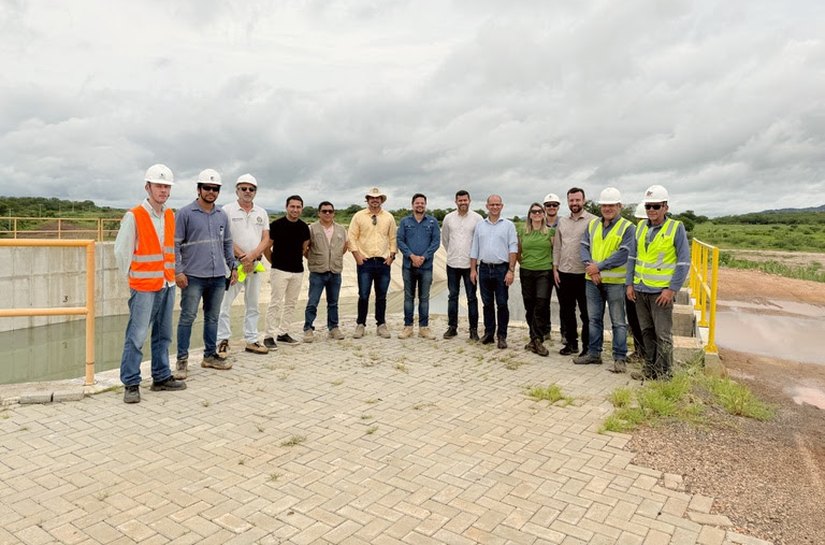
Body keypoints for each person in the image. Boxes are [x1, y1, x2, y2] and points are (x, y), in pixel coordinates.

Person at [115, 164, 187, 403]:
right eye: (159, 186)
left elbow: (170, 249)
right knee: (136, 336)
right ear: (148, 187)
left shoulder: (169, 215)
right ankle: (131, 383)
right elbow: (122, 252)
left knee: (163, 334)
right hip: (144, 286)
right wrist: (132, 279)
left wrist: (172, 275)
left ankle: (161, 376)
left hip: (166, 283)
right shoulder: (134, 215)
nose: (163, 191)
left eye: (167, 186)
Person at [175, 168, 237, 378]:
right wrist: (178, 271)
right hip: (193, 276)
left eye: (215, 188)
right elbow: (175, 245)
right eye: (207, 188)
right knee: (187, 317)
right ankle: (182, 360)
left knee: (212, 317)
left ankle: (209, 356)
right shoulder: (185, 214)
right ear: (199, 189)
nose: (211, 192)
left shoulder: (221, 215)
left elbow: (227, 243)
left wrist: (233, 266)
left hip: (218, 276)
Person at [627, 185, 690, 380]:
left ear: (665, 207)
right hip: (640, 289)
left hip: (661, 293)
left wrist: (671, 290)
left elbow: (683, 262)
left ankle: (665, 374)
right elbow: (632, 258)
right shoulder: (640, 228)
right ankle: (650, 369)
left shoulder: (675, 228)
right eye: (648, 206)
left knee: (663, 335)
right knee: (646, 331)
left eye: (656, 206)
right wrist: (629, 284)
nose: (651, 211)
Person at [574, 188, 635, 371]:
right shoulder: (593, 225)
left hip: (616, 282)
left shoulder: (627, 227)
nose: (607, 208)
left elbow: (624, 254)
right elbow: (584, 247)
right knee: (593, 319)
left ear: (619, 206)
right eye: (604, 205)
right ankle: (594, 354)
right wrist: (591, 269)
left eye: (611, 205)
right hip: (592, 281)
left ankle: (619, 358)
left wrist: (598, 267)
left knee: (618, 321)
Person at [215, 174, 270, 358]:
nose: (247, 192)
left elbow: (266, 238)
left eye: (251, 189)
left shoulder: (261, 212)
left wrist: (252, 256)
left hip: (254, 266)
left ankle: (252, 339)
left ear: (255, 192)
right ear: (237, 190)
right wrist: (242, 256)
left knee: (253, 304)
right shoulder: (226, 210)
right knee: (224, 304)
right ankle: (222, 340)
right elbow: (223, 237)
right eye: (243, 188)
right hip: (233, 266)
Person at [348, 187, 398, 339]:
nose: (375, 200)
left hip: (383, 262)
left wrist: (391, 256)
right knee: (363, 295)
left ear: (381, 200)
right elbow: (352, 236)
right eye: (371, 198)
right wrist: (357, 256)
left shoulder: (389, 217)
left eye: (378, 198)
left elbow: (393, 238)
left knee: (381, 296)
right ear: (367, 200)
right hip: (365, 262)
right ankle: (360, 324)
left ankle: (381, 324)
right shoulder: (359, 216)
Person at [470, 195, 518, 349]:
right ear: (487, 206)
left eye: (497, 204)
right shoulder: (480, 225)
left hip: (501, 269)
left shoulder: (509, 225)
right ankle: (489, 333)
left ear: (502, 206)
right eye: (492, 204)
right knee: (487, 304)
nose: (495, 207)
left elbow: (513, 248)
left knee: (502, 304)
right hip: (484, 269)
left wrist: (511, 270)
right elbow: (474, 248)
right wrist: (473, 270)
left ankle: (502, 336)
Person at [553, 187, 596, 356]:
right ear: (568, 201)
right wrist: (555, 268)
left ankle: (587, 347)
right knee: (567, 311)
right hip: (564, 272)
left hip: (584, 274)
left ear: (583, 201)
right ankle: (571, 343)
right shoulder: (562, 221)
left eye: (577, 200)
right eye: (571, 200)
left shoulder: (593, 221)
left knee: (586, 313)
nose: (574, 203)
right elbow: (557, 247)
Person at [263, 195, 310, 349]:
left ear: (301, 209)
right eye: (292, 206)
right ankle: (269, 336)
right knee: (275, 303)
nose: (295, 209)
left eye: (298, 207)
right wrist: (275, 263)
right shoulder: (276, 225)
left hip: (297, 271)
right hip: (279, 270)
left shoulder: (304, 227)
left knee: (291, 304)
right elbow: (267, 248)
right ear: (287, 207)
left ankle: (283, 333)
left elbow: (304, 249)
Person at [397, 193, 441, 339]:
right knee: (408, 297)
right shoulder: (404, 222)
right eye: (417, 203)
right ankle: (408, 327)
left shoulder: (433, 222)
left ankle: (424, 328)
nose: (420, 205)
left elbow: (435, 242)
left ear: (425, 205)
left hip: (426, 267)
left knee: (424, 297)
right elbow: (400, 241)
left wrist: (423, 257)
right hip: (408, 266)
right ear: (412, 205)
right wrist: (411, 256)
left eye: (422, 203)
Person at [303, 201, 348, 342]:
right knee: (313, 302)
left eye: (330, 211)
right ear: (319, 213)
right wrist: (316, 259)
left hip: (335, 271)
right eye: (324, 211)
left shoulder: (341, 229)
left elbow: (344, 247)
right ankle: (308, 328)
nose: (327, 213)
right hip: (317, 271)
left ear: (334, 213)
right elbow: (305, 249)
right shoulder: (311, 229)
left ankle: (333, 327)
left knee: (333, 302)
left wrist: (334, 258)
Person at [441, 190, 483, 341]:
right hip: (452, 263)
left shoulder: (477, 219)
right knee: (452, 296)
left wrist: (474, 263)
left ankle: (473, 330)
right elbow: (445, 239)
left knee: (472, 298)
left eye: (465, 200)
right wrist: (452, 252)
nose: (463, 203)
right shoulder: (448, 218)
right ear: (456, 201)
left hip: (470, 265)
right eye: (460, 200)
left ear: (469, 200)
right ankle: (452, 327)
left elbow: (479, 241)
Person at [518, 202, 554, 356]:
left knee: (541, 303)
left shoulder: (550, 232)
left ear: (543, 214)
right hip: (526, 271)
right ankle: (534, 339)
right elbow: (518, 251)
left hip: (544, 272)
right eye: (534, 212)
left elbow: (555, 251)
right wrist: (524, 263)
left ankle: (537, 339)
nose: (537, 214)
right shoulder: (522, 231)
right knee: (529, 306)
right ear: (530, 215)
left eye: (540, 211)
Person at [626, 202, 648, 363]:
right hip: (634, 284)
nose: (641, 223)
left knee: (648, 324)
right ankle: (639, 351)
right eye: (639, 220)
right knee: (634, 319)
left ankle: (649, 355)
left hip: (652, 287)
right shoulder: (636, 234)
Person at [542, 192, 563, 340]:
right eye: (548, 205)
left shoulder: (564, 223)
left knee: (564, 302)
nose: (551, 207)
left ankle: (565, 331)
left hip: (560, 267)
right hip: (544, 266)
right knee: (543, 300)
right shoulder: (539, 223)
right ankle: (545, 329)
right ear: (544, 207)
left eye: (554, 205)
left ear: (558, 207)